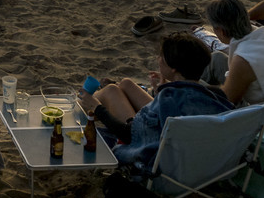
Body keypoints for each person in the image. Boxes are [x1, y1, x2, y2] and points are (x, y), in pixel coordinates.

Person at [79, 33, 231, 174]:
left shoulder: (167, 100)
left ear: (173, 69)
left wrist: (97, 108)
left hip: (164, 168)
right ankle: (90, 100)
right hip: (201, 163)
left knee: (111, 91)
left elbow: (129, 135)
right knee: (125, 84)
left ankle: (81, 105)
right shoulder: (215, 95)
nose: (158, 60)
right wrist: (160, 90)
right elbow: (179, 110)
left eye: (161, 57)